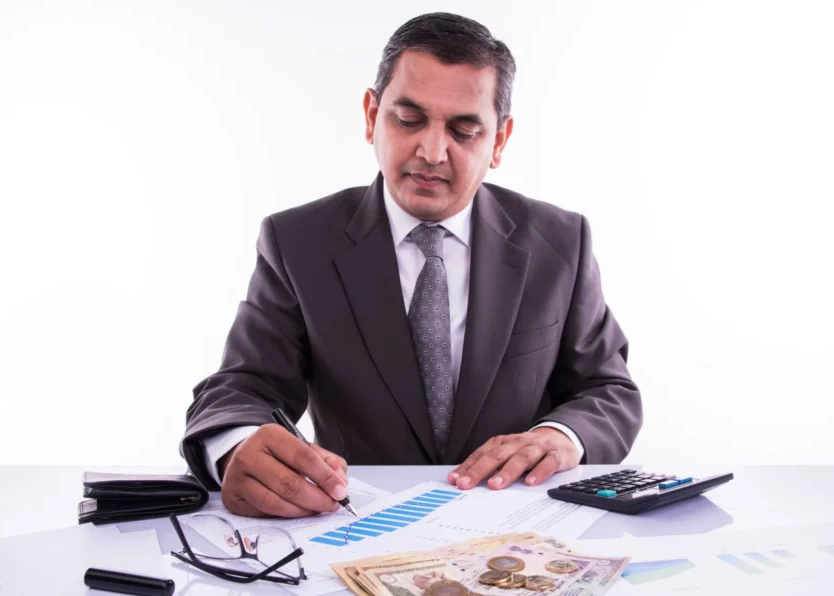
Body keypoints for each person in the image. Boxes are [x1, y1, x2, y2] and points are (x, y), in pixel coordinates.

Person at [179, 12, 643, 518]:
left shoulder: (561, 241)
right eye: (408, 119)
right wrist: (236, 446)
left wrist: (562, 435)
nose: (432, 151)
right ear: (371, 115)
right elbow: (243, 386)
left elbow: (608, 388)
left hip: (515, 527)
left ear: (499, 142)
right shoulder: (297, 242)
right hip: (355, 531)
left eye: (464, 130)